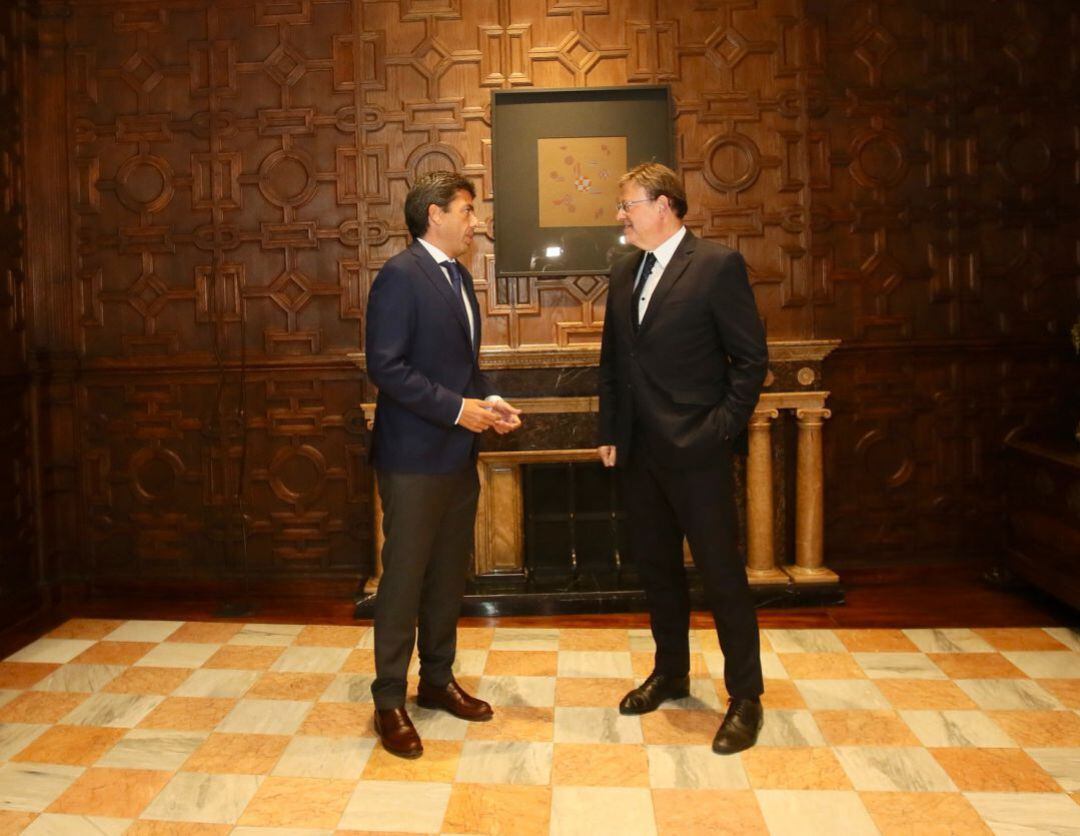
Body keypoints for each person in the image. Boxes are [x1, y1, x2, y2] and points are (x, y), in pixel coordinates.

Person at [597, 162, 769, 754]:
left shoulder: (717, 266)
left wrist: (719, 429)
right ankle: (671, 672)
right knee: (658, 572)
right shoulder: (623, 268)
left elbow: (750, 362)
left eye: (628, 204)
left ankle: (745, 696)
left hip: (698, 449)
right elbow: (616, 361)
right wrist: (611, 431)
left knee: (721, 575)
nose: (621, 215)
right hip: (639, 451)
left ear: (664, 204)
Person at [365, 170, 522, 758]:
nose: (474, 221)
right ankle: (388, 701)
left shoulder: (458, 277)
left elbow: (460, 367)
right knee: (403, 580)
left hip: (457, 455)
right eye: (466, 209)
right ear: (435, 214)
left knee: (447, 577)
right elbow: (386, 366)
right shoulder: (399, 276)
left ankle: (436, 681)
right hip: (412, 457)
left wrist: (489, 402)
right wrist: (458, 410)